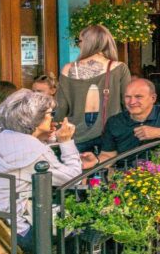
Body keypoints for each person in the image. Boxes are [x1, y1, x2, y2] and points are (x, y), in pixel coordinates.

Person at [0, 89, 81, 252]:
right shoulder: (32, 149)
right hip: (24, 232)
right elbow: (72, 179)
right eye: (51, 114)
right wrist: (66, 142)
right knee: (84, 222)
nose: (53, 118)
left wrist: (44, 138)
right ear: (36, 118)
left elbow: (21, 159)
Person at [84, 78, 160, 168]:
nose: (132, 101)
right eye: (128, 97)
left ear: (153, 98)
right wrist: (96, 161)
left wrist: (158, 132)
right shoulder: (114, 122)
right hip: (126, 177)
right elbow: (108, 155)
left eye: (138, 97)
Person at [55, 25, 131, 156]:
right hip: (110, 136)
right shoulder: (119, 68)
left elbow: (61, 108)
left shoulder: (68, 69)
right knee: (110, 173)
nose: (78, 45)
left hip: (76, 136)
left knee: (78, 175)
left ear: (87, 43)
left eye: (79, 41)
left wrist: (56, 130)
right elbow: (128, 103)